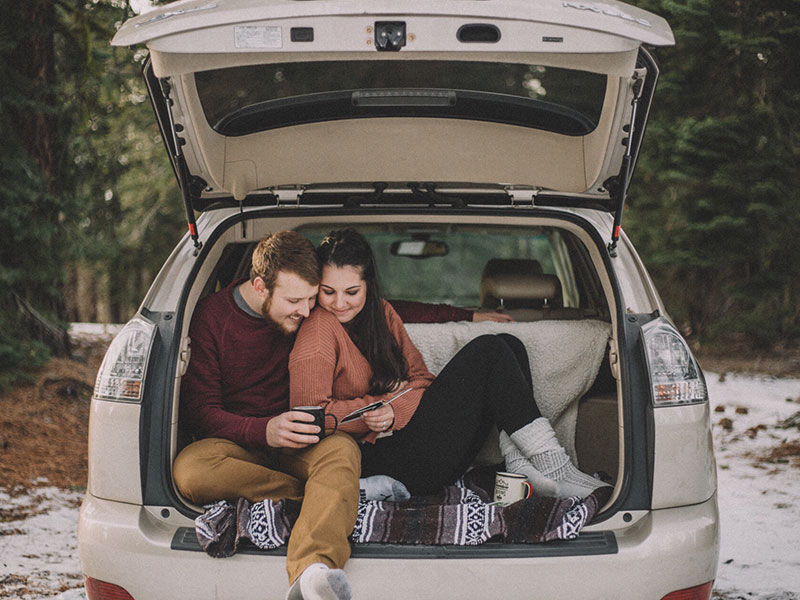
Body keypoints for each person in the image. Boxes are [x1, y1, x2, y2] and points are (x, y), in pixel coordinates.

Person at [289, 228, 609, 499]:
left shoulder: (381, 313)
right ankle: (558, 469)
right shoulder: (317, 329)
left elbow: (421, 381)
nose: (339, 303)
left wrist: (395, 410)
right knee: (490, 350)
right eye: (328, 292)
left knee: (509, 343)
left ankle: (520, 467)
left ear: (368, 286)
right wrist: (379, 409)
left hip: (412, 448)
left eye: (351, 291)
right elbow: (310, 420)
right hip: (372, 461)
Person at [174, 231, 375, 600]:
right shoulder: (211, 318)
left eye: (313, 299)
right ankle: (325, 499)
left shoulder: (308, 308)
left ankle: (312, 573)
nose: (306, 309)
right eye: (295, 300)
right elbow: (201, 413)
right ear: (259, 286)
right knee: (189, 469)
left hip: (298, 445)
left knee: (343, 450)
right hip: (238, 445)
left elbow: (384, 308)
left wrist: (464, 313)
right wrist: (263, 430)